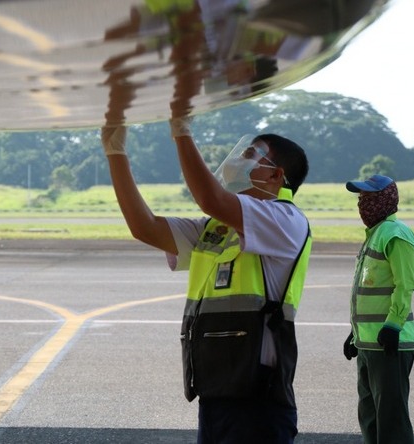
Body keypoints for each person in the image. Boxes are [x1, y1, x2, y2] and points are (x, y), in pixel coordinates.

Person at [100, 15, 312, 439]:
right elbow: (144, 227)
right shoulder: (216, 229)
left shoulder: (286, 221)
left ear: (276, 177)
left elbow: (210, 197)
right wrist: (116, 154)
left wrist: (181, 130)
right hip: (217, 386)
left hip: (257, 394)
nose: (241, 158)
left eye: (254, 154)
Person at [342, 174, 414, 444]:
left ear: (387, 199)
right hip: (368, 345)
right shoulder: (374, 236)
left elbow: (405, 285)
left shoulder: (396, 234)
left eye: (370, 198)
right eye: (361, 198)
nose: (363, 204)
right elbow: (368, 293)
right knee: (370, 418)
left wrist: (393, 325)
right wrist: (355, 335)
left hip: (390, 343)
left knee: (391, 422)